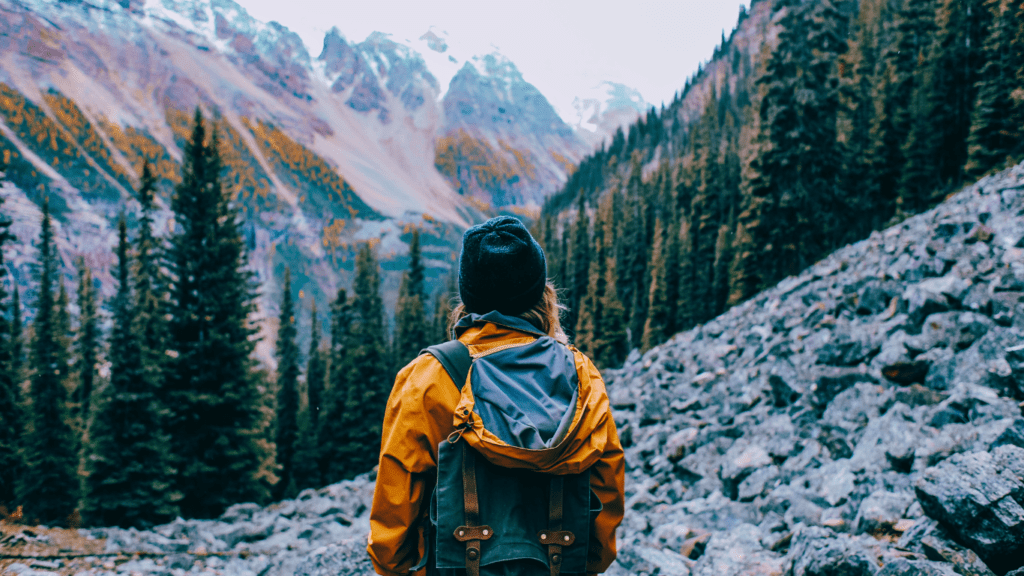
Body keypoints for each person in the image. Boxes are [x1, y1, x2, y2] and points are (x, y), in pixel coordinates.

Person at [368, 215, 625, 576]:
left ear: (468, 296)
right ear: (542, 294)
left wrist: (394, 567)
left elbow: (395, 512)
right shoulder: (582, 377)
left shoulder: (427, 378)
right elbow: (606, 492)